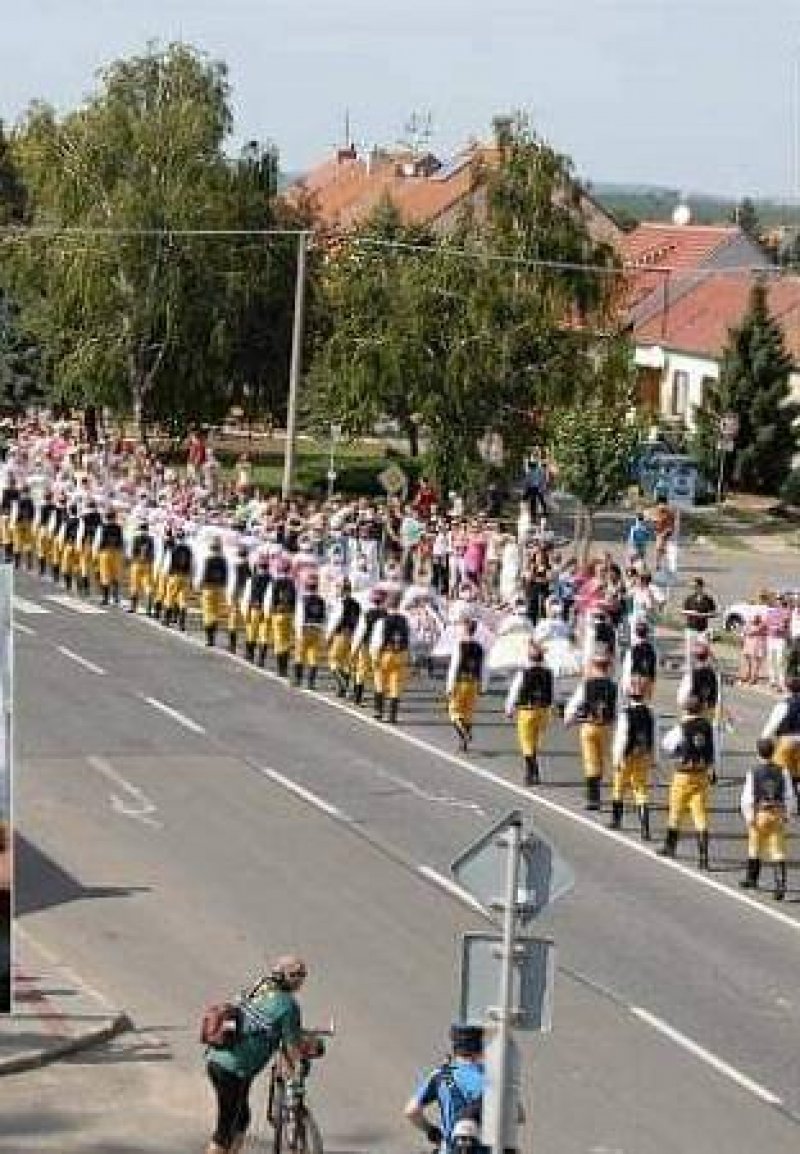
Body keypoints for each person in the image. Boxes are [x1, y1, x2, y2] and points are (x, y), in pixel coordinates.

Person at [205, 955, 308, 1154]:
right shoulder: (288, 1006)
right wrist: (295, 1066)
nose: (300, 979)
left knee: (242, 1120)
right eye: (295, 974)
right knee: (224, 1130)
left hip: (218, 1059)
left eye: (303, 974)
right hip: (233, 1069)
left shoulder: (261, 986)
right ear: (281, 975)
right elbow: (292, 1046)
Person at [404, 1023, 485, 1154]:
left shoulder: (445, 1074)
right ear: (480, 1048)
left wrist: (431, 1131)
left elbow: (411, 1111)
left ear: (454, 1048)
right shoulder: (492, 1077)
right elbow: (516, 1115)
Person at [659, 695, 716, 868]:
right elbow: (712, 751)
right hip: (701, 773)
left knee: (676, 811)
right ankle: (703, 856)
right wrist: (712, 769)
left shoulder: (681, 727)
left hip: (684, 774)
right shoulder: (707, 726)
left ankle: (670, 846)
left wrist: (677, 751)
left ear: (686, 709)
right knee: (700, 814)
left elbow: (667, 744)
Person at [739, 738, 792, 900]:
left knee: (755, 846)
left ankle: (752, 878)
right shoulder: (783, 771)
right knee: (777, 850)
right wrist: (787, 814)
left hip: (759, 814)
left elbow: (747, 797)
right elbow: (789, 795)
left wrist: (749, 815)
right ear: (773, 752)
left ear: (758, 753)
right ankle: (780, 884)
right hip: (776, 813)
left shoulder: (753, 772)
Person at [564, 653, 618, 811]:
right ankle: (598, 791)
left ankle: (593, 796)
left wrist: (569, 717)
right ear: (608, 667)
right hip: (606, 726)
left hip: (589, 725)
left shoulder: (587, 685)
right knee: (602, 759)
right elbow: (620, 707)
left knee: (590, 760)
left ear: (594, 666)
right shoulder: (614, 686)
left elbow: (575, 702)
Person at [610, 675, 655, 839]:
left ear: (630, 696)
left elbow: (621, 738)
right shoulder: (650, 713)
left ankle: (616, 820)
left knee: (619, 787)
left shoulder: (626, 714)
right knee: (641, 789)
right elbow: (654, 737)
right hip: (643, 754)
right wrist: (653, 757)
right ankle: (645, 828)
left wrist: (617, 757)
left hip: (627, 755)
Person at [505, 639, 554, 786]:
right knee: (535, 741)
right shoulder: (548, 673)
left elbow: (514, 692)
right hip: (544, 710)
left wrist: (509, 708)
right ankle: (530, 771)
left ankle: (533, 771)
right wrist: (553, 708)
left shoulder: (523, 673)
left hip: (527, 710)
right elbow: (554, 692)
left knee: (526, 742)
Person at [446, 618, 489, 752]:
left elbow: (454, 667)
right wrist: (483, 686)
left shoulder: (459, 646)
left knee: (454, 711)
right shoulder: (480, 647)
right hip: (474, 682)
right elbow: (484, 668)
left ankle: (463, 732)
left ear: (465, 630)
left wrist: (449, 686)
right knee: (468, 712)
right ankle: (463, 744)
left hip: (460, 682)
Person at [761, 676, 800, 814]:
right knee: (797, 774)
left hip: (786, 741)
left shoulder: (784, 704)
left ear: (787, 688)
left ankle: (783, 802)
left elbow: (773, 724)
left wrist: (764, 739)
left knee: (780, 772)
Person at [681, 577, 717, 669]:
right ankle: (689, 669)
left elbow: (714, 613)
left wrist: (705, 615)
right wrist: (691, 613)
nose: (694, 589)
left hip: (703, 629)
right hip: (691, 628)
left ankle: (706, 668)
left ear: (701, 586)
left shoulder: (708, 599)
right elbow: (683, 611)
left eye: (695, 586)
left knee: (704, 649)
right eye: (693, 587)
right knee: (689, 651)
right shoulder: (690, 598)